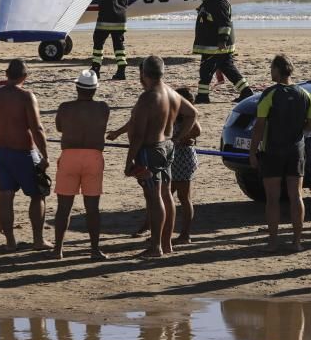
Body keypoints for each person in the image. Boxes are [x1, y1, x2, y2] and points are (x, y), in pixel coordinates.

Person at [0, 59, 51, 251]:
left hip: (3, 152)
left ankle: (10, 242)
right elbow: (37, 128)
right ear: (25, 76)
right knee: (37, 195)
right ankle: (38, 240)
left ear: (6, 74)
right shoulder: (26, 96)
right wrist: (45, 155)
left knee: (5, 196)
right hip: (24, 152)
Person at [125, 55, 197, 258]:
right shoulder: (172, 93)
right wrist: (176, 138)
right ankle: (166, 244)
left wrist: (130, 159)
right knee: (165, 195)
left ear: (143, 74)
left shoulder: (149, 96)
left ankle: (156, 246)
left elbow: (138, 134)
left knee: (154, 196)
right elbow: (192, 114)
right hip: (167, 147)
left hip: (151, 149)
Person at [248, 54, 311, 253]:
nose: (271, 72)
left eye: (272, 68)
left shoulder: (270, 94)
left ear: (278, 70)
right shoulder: (305, 94)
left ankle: (272, 241)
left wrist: (252, 152)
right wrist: (296, 129)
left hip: (273, 150)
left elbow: (259, 128)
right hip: (296, 150)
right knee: (296, 196)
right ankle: (296, 241)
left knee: (273, 198)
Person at [52, 70, 110, 260]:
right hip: (93, 156)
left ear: (77, 87)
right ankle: (94, 249)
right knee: (92, 207)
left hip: (69, 155)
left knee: (64, 207)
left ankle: (58, 249)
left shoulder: (65, 107)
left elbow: (60, 127)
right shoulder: (103, 108)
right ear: (95, 89)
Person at [192, 0, 253, 104]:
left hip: (216, 46)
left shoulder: (218, 3)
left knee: (206, 71)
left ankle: (203, 97)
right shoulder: (212, 1)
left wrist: (222, 40)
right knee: (228, 69)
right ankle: (246, 92)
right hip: (215, 45)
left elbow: (224, 24)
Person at [88, 0, 129, 80]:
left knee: (98, 43)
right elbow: (125, 2)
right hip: (121, 20)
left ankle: (96, 69)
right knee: (118, 45)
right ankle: (121, 70)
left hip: (105, 20)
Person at [170, 88, 201, 245]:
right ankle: (162, 231)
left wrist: (181, 138)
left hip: (183, 159)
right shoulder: (174, 115)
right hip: (173, 159)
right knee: (167, 195)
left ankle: (185, 234)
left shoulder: (188, 117)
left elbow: (197, 131)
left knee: (183, 197)